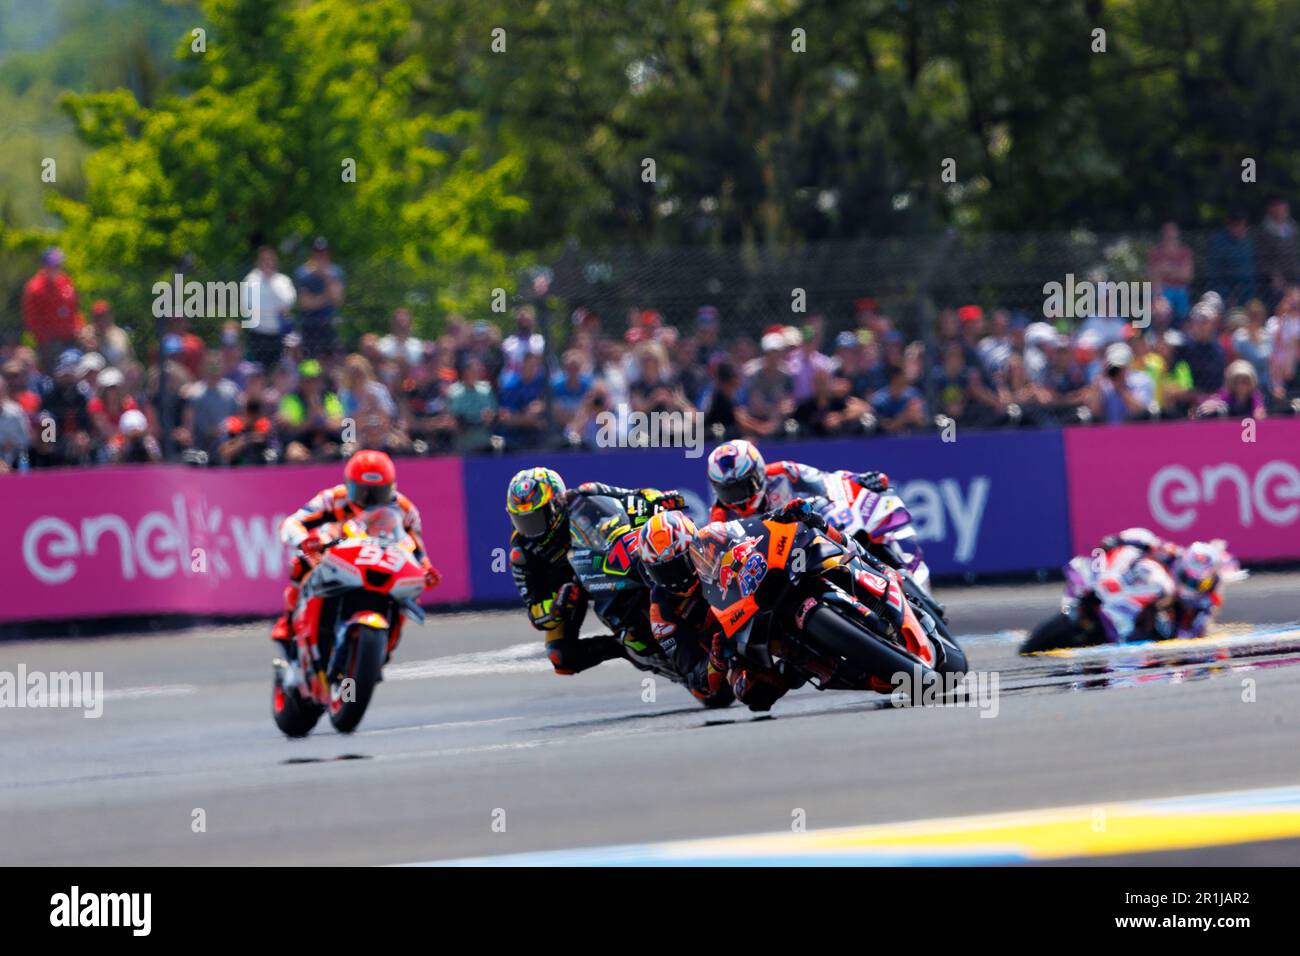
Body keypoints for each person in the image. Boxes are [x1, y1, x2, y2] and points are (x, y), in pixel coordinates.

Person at [505, 467, 685, 675]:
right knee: (561, 657)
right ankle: (623, 647)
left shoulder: (586, 494)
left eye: (535, 518)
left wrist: (660, 500)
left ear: (557, 503)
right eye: (522, 520)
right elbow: (535, 612)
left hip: (605, 565)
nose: (529, 528)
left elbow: (636, 496)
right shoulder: (522, 553)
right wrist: (557, 605)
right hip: (570, 592)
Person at [271, 450, 441, 652]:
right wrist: (304, 540)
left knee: (409, 594)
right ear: (348, 485)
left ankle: (387, 643)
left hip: (383, 561)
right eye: (362, 492)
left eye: (377, 493)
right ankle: (289, 621)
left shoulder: (405, 509)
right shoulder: (332, 498)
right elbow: (292, 522)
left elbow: (418, 549)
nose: (369, 500)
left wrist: (426, 569)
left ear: (391, 488)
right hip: (338, 556)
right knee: (300, 563)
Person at [636, 510, 732, 707]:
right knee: (750, 691)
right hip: (725, 650)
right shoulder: (661, 612)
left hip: (750, 610)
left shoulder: (717, 541)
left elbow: (756, 533)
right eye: (663, 572)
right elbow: (693, 674)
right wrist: (715, 661)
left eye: (678, 566)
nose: (675, 578)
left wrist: (781, 515)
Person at [1094, 528, 1233, 640]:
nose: (1191, 587)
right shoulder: (1172, 554)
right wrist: (1119, 541)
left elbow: (1196, 633)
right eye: (1187, 578)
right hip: (1152, 594)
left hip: (1179, 619)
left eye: (1198, 584)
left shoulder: (1209, 597)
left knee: (1191, 632)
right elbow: (1147, 540)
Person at [704, 439, 888, 522]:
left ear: (758, 474)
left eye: (741, 488)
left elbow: (825, 480)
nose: (737, 500)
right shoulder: (719, 515)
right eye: (728, 492)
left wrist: (857, 480)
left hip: (810, 538)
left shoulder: (783, 471)